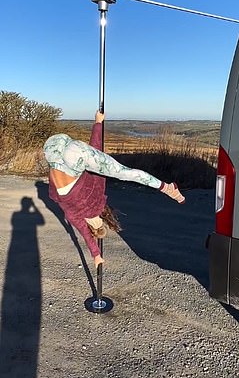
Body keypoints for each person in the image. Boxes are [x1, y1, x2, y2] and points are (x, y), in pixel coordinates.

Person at [43, 111, 185, 268]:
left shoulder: (96, 202)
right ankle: (166, 188)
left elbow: (97, 151)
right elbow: (86, 235)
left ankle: (167, 188)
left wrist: (98, 125)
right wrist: (96, 255)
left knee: (125, 173)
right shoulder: (71, 213)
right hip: (52, 150)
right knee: (112, 168)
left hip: (74, 155)